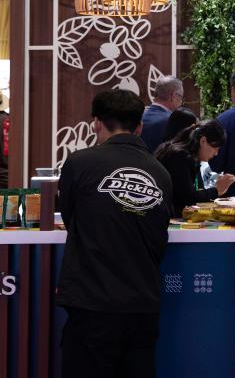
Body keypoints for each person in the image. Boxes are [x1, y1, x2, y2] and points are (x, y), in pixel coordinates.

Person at [56, 89, 174, 378]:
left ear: (97, 123)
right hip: (142, 303)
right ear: (139, 127)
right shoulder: (160, 173)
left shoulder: (79, 163)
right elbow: (160, 234)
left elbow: (71, 219)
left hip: (91, 300)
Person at [157, 119, 235, 216]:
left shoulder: (190, 156)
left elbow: (195, 192)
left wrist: (216, 186)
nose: (216, 153)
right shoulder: (180, 156)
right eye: (215, 148)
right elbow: (188, 198)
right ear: (203, 141)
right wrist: (216, 190)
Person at [139, 76, 184, 154]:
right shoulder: (173, 121)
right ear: (173, 96)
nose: (181, 102)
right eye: (181, 97)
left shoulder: (137, 115)